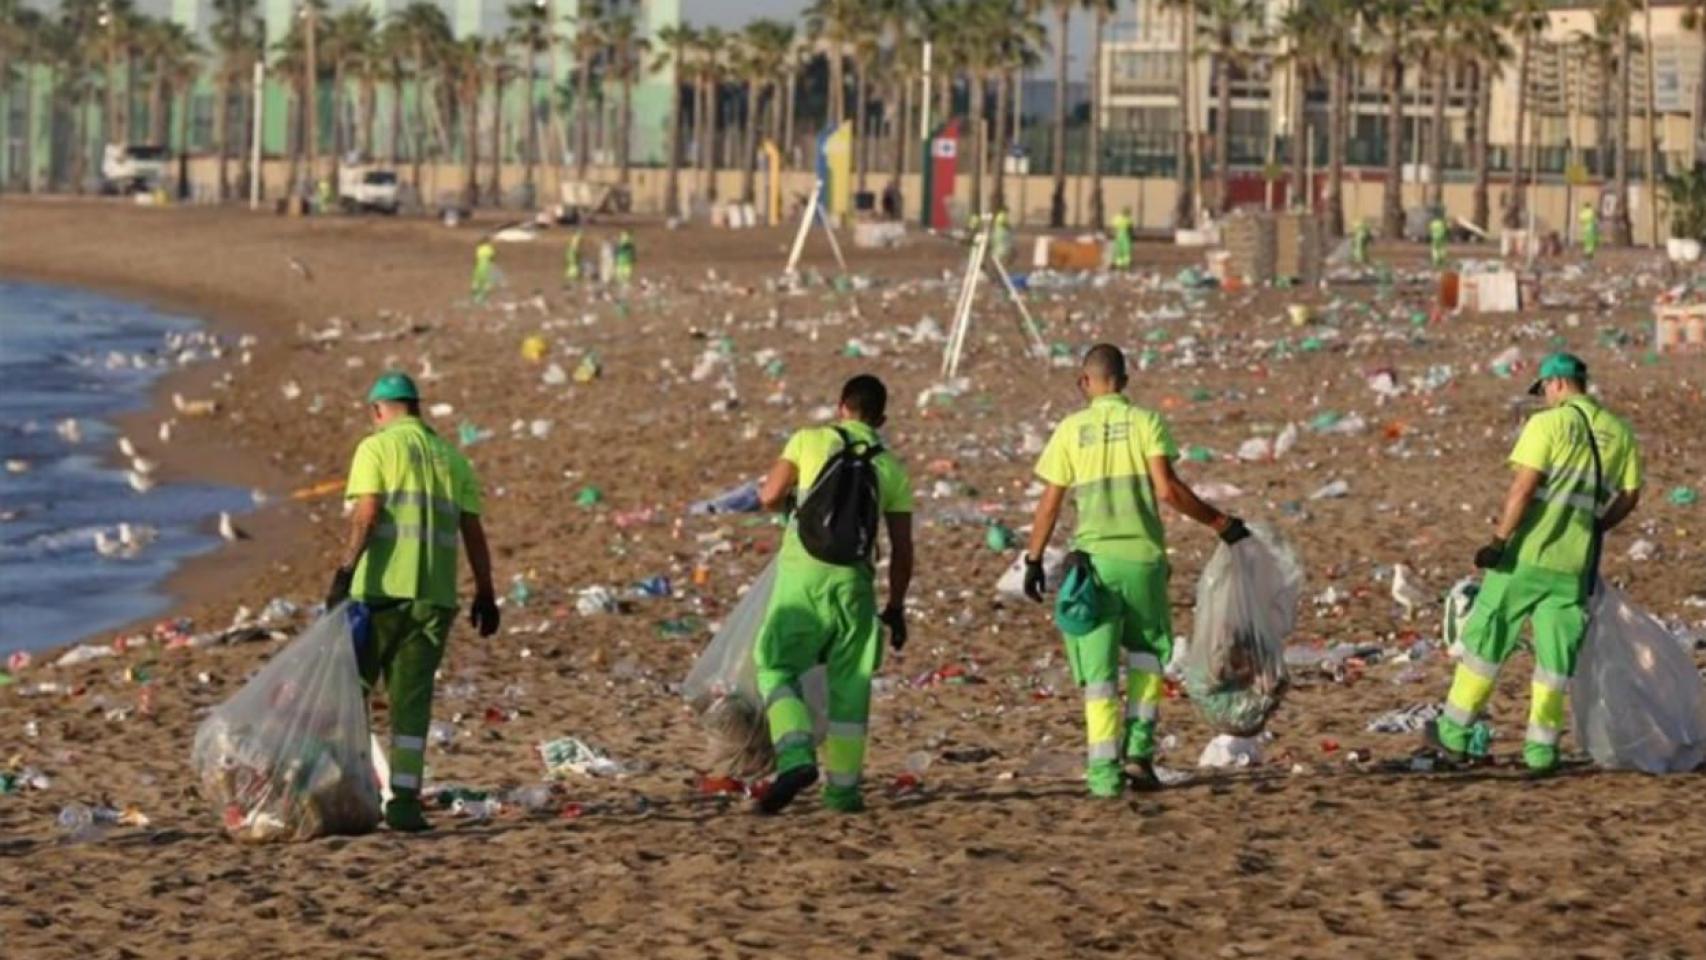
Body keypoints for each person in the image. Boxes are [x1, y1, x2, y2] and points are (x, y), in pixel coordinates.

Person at [1023, 344, 1249, 797]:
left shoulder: (1070, 430)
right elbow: (1168, 491)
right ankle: (1139, 756)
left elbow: (1050, 502)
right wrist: (1220, 523)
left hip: (1093, 567)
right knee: (1147, 659)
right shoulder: (1147, 423)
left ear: (1084, 382)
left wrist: (1033, 558)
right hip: (1143, 563)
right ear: (1124, 382)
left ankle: (1104, 775)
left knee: (1099, 673)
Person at [1425, 353, 1642, 774]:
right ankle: (1541, 751)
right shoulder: (1619, 432)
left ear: (1557, 384)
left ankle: (1453, 730)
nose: (1543, 398)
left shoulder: (1547, 424)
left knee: (1487, 641)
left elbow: (1522, 490)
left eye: (1543, 389)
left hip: (1526, 557)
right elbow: (1630, 496)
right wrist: (1596, 527)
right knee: (1554, 662)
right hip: (1574, 568)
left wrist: (1497, 542)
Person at [326, 372, 501, 831]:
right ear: (417, 408)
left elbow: (366, 515)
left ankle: (350, 791)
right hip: (435, 599)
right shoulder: (453, 459)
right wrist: (485, 592)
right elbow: (473, 533)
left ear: (378, 411)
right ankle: (403, 804)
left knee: (351, 694)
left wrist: (344, 572)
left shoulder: (376, 448)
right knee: (411, 705)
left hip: (379, 596)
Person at [751, 375, 914, 814]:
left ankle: (796, 754)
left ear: (841, 406)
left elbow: (768, 496)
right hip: (854, 588)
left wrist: (790, 506)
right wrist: (896, 607)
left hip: (801, 582)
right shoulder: (891, 468)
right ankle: (842, 793)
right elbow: (901, 550)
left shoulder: (809, 440)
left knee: (775, 665)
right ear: (881, 418)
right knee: (851, 690)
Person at [471, 238, 496, 303]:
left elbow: (476, 258)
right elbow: (492, 258)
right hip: (486, 266)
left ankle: (474, 294)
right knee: (486, 280)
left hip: (478, 266)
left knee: (477, 279)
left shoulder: (479, 248)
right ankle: (483, 297)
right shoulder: (489, 249)